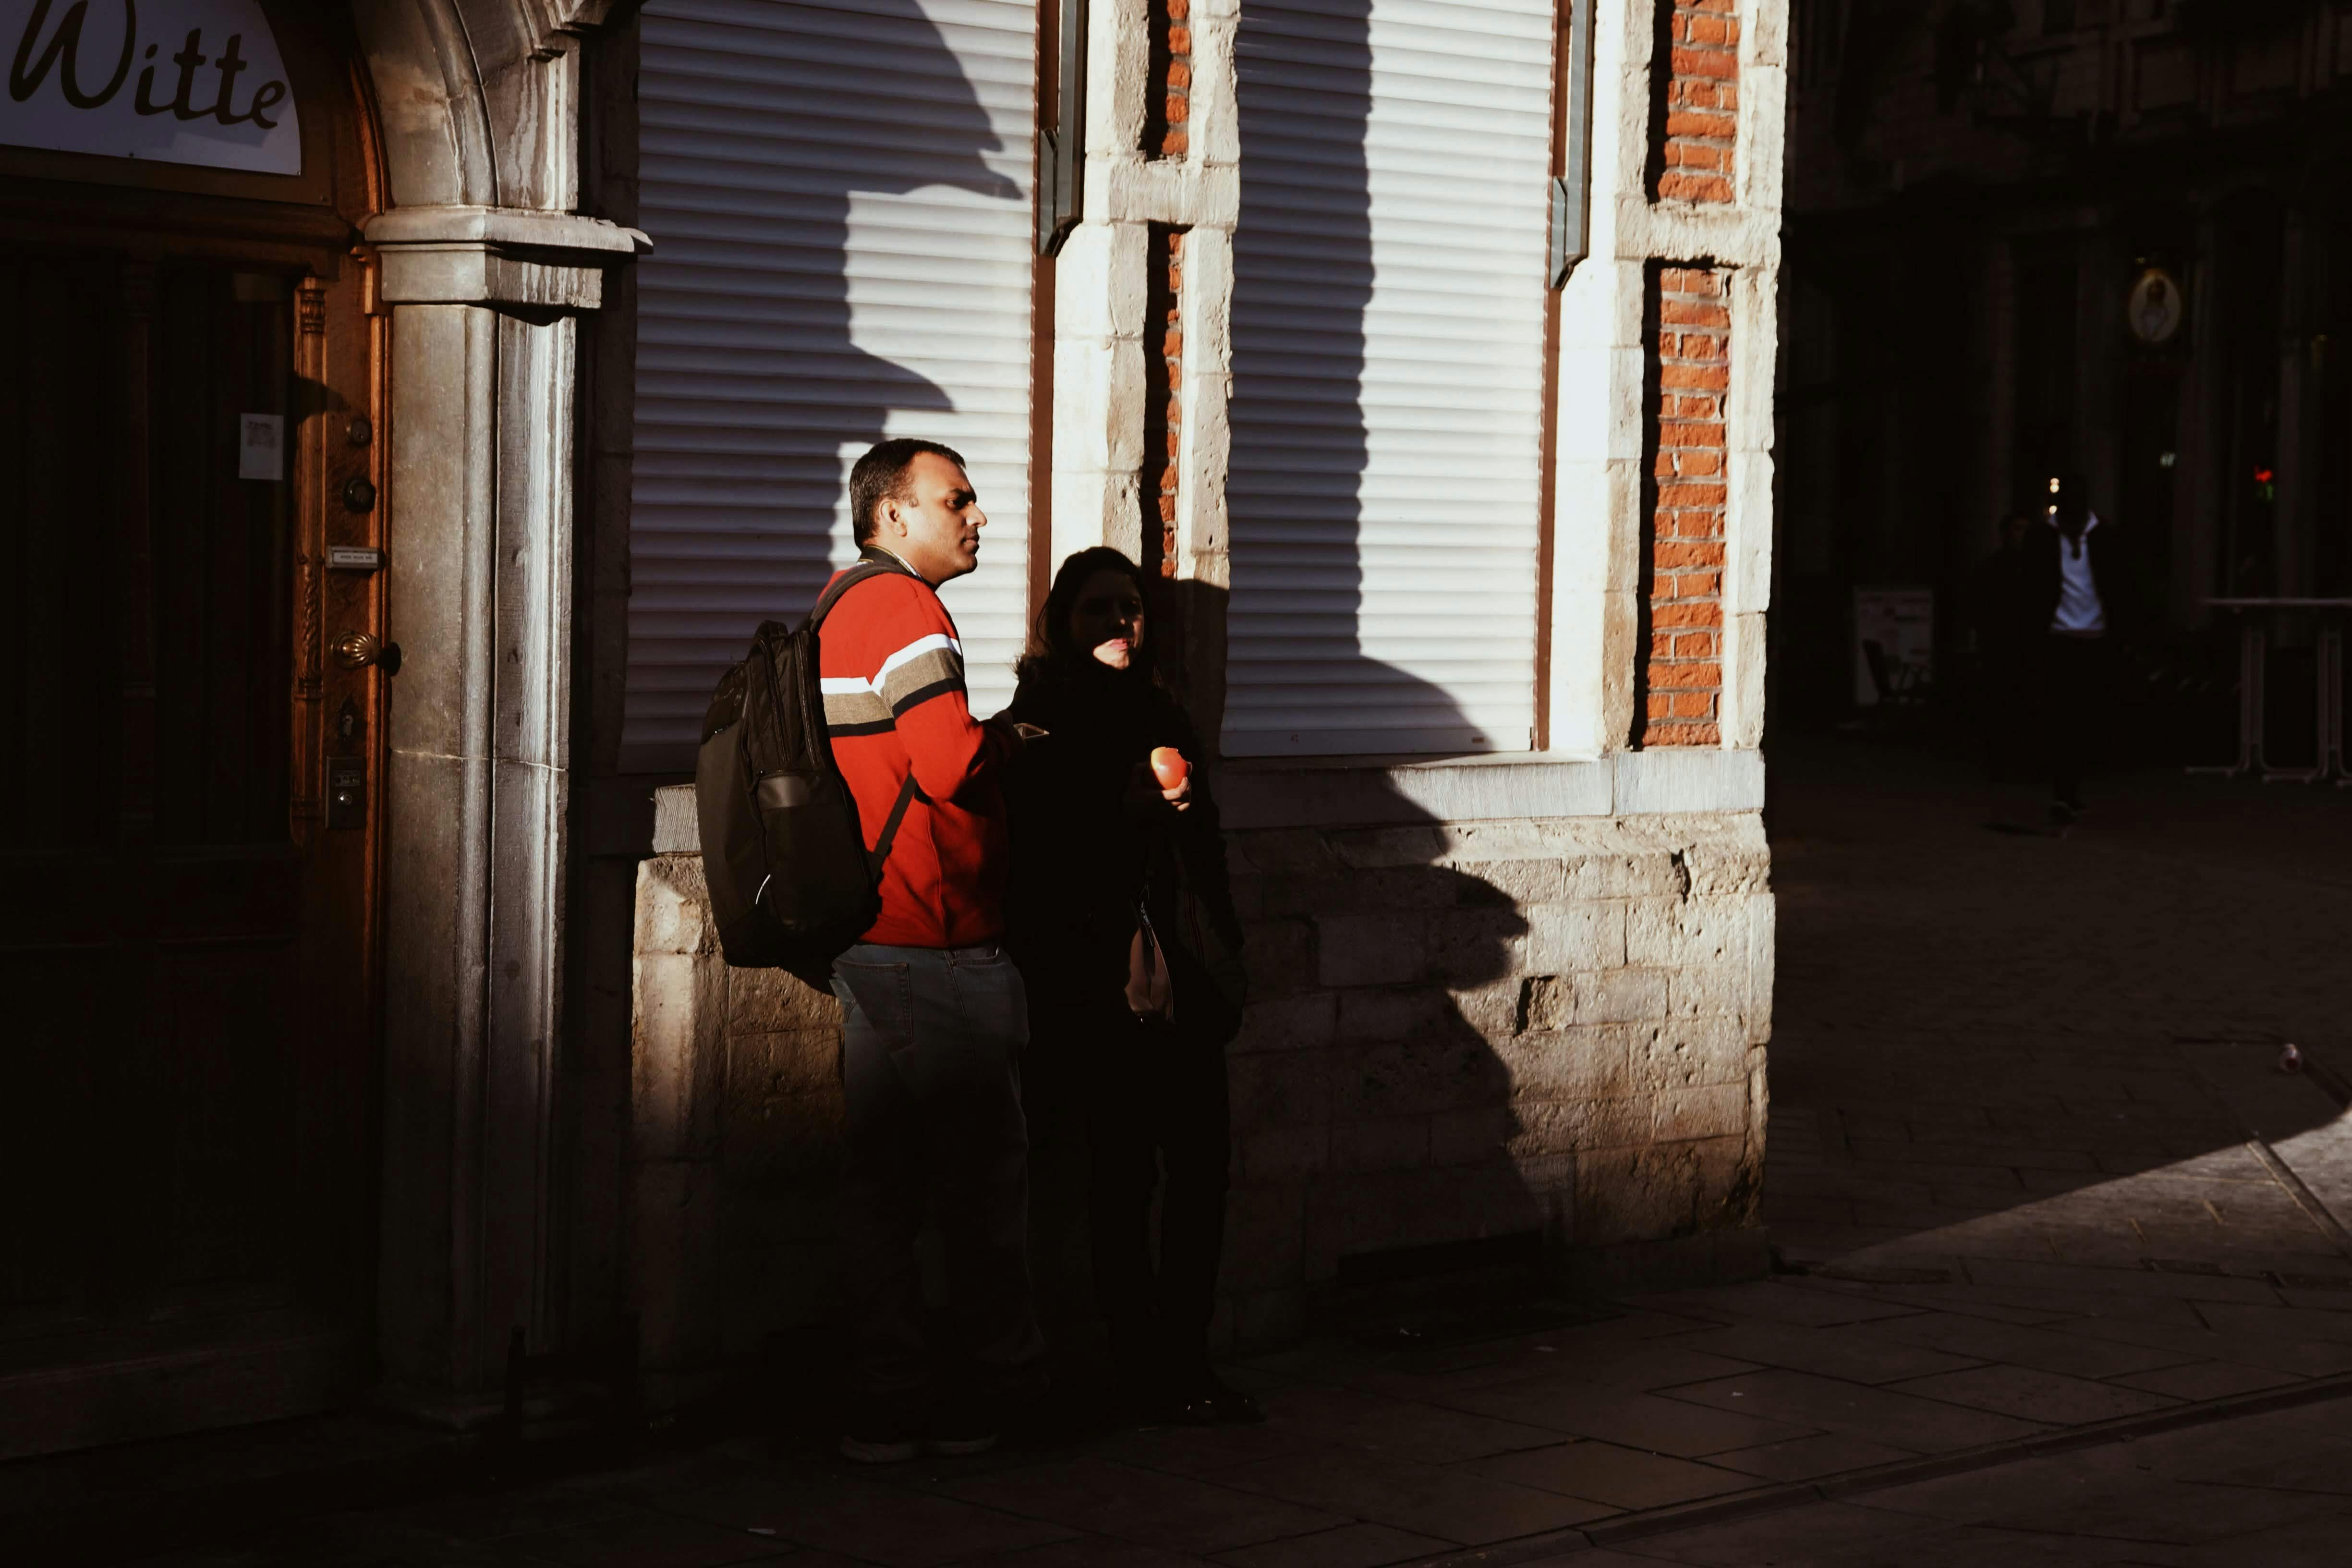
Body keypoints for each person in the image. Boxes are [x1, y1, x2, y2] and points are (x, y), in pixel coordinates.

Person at [819, 438, 1043, 1462]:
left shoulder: (838, 602)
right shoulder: (904, 606)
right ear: (893, 515)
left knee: (881, 1187)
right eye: (957, 500)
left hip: (874, 938)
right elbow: (950, 763)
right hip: (939, 941)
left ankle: (884, 1400)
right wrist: (1016, 738)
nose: (979, 516)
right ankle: (987, 1397)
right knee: (984, 1187)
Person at [1000, 547, 1259, 1425]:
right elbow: (1038, 858)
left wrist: (1222, 952)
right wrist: (1124, 813)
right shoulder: (1036, 720)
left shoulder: (1163, 712)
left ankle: (1185, 1360)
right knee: (1113, 1181)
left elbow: (1207, 855)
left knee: (1200, 1172)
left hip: (1180, 981)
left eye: (1133, 610)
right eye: (1099, 610)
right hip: (1090, 986)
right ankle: (1122, 1363)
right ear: (1061, 622)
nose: (1120, 626)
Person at [2021, 474, 2126, 825]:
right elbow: (2032, 588)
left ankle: (2070, 787)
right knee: (2062, 716)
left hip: (2093, 638)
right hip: (2059, 638)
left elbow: (2119, 587)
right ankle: (2064, 790)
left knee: (2083, 717)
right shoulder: (2043, 538)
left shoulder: (2103, 538)